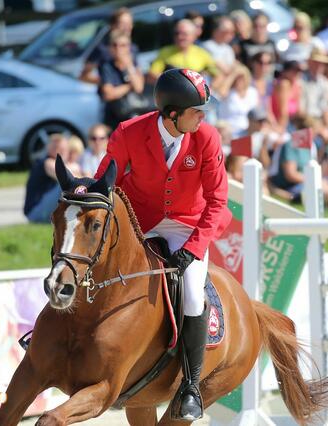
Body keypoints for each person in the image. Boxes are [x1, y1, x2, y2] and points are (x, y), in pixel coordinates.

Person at [94, 68, 231, 421]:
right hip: (140, 225)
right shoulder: (129, 133)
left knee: (191, 290)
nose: (203, 116)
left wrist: (195, 247)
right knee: (92, 264)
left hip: (187, 226)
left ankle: (190, 386)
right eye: (196, 111)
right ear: (173, 114)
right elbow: (103, 182)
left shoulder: (207, 138)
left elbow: (217, 200)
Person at [147, 19, 220, 86]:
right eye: (177, 33)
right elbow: (152, 76)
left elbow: (218, 75)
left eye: (184, 34)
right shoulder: (165, 52)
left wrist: (209, 90)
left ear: (193, 36)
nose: (180, 37)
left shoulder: (202, 53)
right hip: (173, 95)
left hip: (195, 97)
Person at [99, 31, 146, 128]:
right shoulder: (107, 66)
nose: (118, 49)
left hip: (133, 113)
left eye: (123, 45)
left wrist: (129, 66)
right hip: (114, 116)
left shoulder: (133, 64)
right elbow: (108, 94)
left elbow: (139, 87)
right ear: (110, 48)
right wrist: (129, 86)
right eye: (115, 45)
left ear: (129, 47)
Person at [79, 8, 138, 85]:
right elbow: (84, 76)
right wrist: (108, 82)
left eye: (129, 24)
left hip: (129, 95)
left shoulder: (133, 48)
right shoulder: (101, 49)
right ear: (113, 26)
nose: (127, 28)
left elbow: (138, 78)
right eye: (123, 24)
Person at [23, 134, 69, 223]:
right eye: (55, 147)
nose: (59, 151)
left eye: (62, 149)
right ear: (49, 148)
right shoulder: (46, 162)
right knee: (66, 186)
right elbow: (65, 178)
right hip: (35, 212)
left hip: (42, 208)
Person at [216, 64, 259, 137]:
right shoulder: (229, 92)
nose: (239, 81)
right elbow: (221, 92)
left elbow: (257, 113)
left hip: (247, 131)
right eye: (237, 78)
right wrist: (233, 74)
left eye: (242, 78)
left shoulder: (252, 92)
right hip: (228, 131)